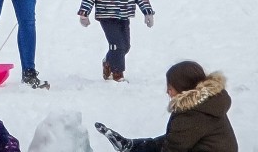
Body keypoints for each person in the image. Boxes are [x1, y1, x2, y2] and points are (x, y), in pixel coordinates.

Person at [95, 60, 239, 152]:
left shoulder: (191, 115)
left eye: (170, 88)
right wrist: (135, 146)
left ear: (183, 89)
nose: (167, 92)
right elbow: (174, 140)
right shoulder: (205, 104)